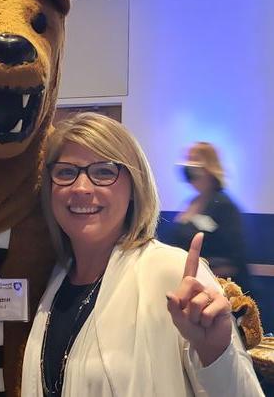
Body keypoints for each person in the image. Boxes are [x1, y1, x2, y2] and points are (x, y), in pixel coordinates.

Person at [21, 113, 263, 396]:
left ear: (134, 186)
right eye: (65, 172)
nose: (82, 188)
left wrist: (216, 353)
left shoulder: (172, 274)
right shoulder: (49, 281)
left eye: (103, 172)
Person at [168, 141, 253, 293]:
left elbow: (235, 260)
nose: (189, 166)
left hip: (216, 292)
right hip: (187, 286)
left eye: (194, 160)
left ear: (209, 168)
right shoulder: (191, 203)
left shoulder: (224, 206)